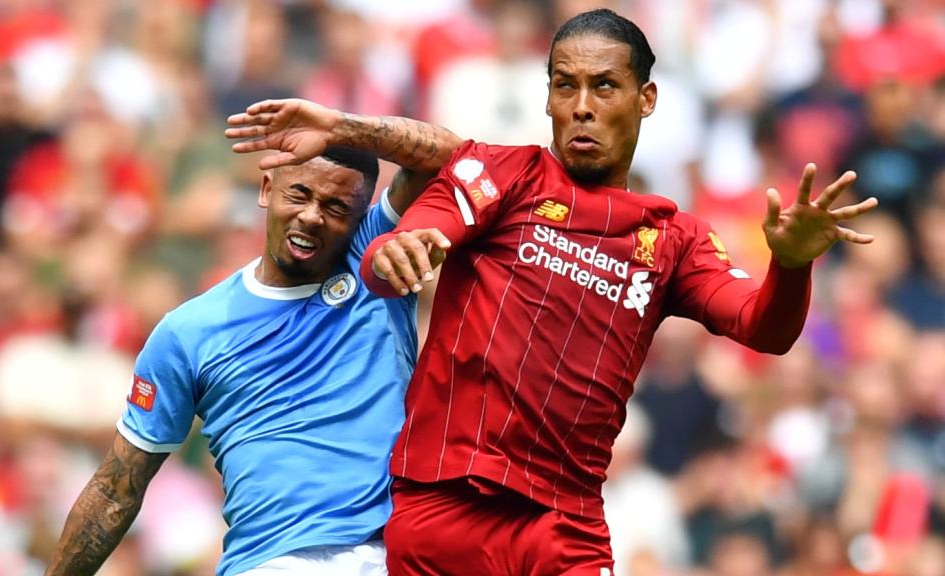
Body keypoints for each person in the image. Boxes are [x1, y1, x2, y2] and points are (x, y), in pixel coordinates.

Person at [357, 9, 878, 575]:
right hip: (443, 506)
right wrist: (395, 250)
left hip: (563, 527)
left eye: (604, 85)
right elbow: (395, 256)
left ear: (646, 98)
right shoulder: (498, 173)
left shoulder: (676, 239)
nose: (582, 105)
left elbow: (766, 330)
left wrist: (792, 264)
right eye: (565, 85)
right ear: (549, 98)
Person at [44, 102, 461, 576]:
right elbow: (117, 488)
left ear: (363, 214)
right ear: (266, 188)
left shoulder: (373, 259)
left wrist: (342, 127)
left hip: (392, 554)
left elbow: (449, 155)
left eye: (336, 207)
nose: (311, 216)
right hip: (271, 562)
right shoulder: (188, 332)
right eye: (299, 194)